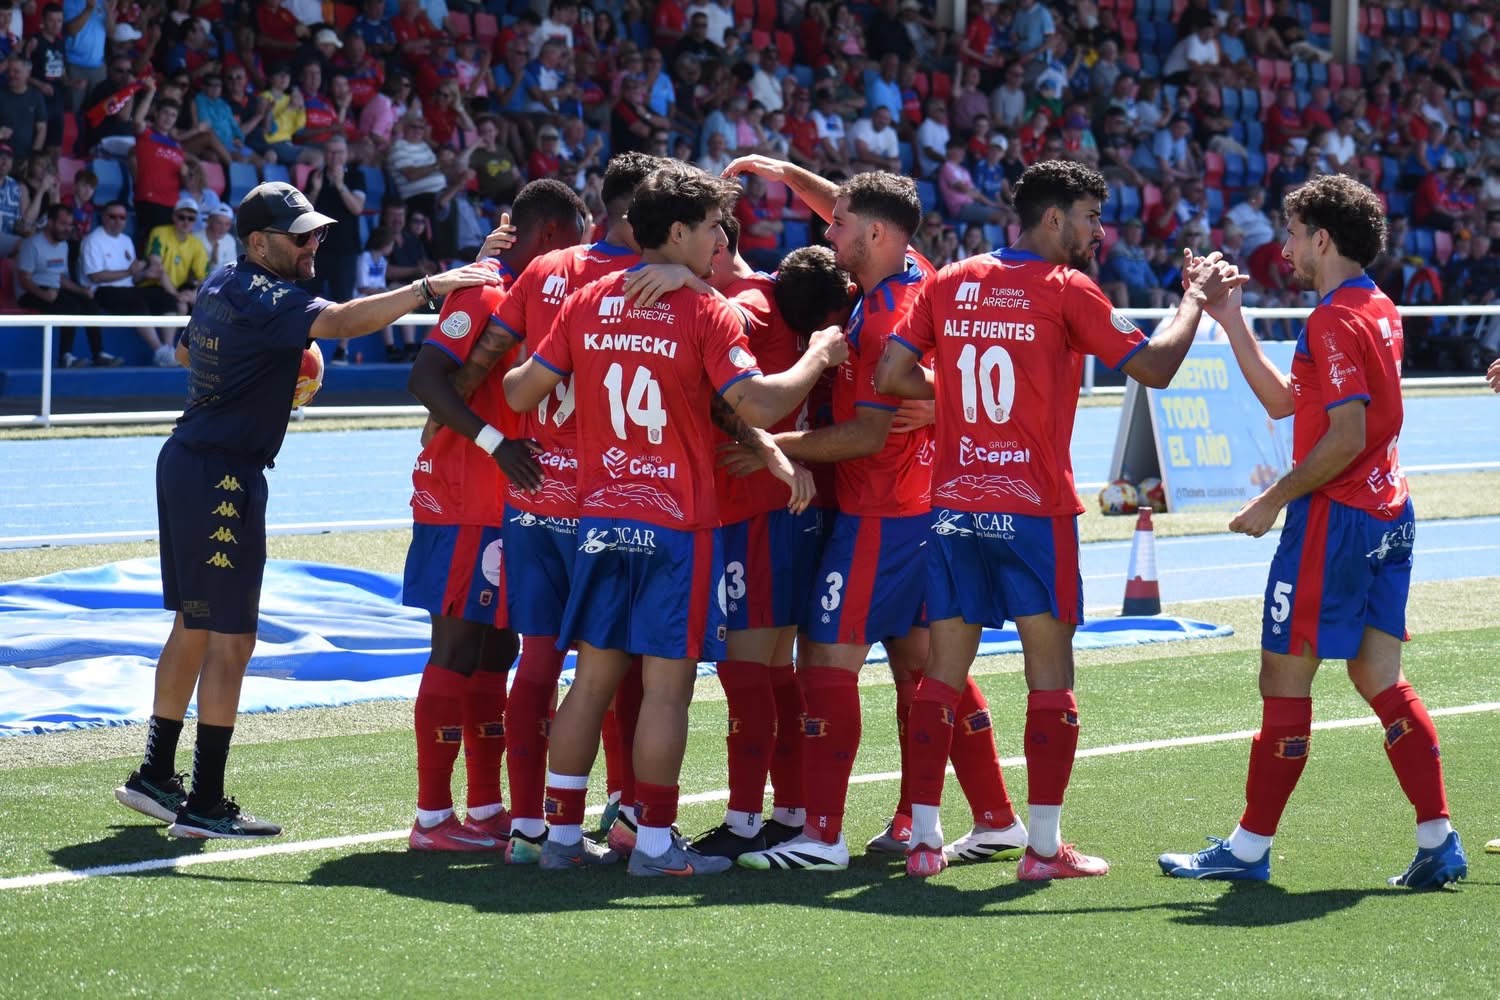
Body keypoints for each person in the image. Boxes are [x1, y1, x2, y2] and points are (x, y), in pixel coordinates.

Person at [877, 159, 1245, 880]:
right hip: (1031, 510)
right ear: (1053, 218)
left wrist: (956, 402)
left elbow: (891, 375)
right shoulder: (1065, 288)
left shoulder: (950, 281)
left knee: (940, 677)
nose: (1098, 232)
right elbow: (1157, 366)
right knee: (1049, 677)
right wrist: (1196, 299)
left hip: (955, 504)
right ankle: (1043, 851)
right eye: (1090, 217)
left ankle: (922, 843)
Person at [111, 182, 505, 839]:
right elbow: (345, 322)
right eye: (299, 235)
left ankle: (155, 773)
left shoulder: (221, 282)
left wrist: (261, 371)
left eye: (316, 232)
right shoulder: (269, 294)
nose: (312, 243)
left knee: (194, 624)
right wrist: (431, 288)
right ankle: (204, 802)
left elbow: (186, 352)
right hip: (224, 476)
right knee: (232, 638)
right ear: (258, 241)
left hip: (186, 462)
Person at [501, 165, 844, 877]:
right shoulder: (706, 311)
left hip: (600, 517)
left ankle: (559, 837)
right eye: (714, 227)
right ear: (680, 231)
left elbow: (518, 390)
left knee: (591, 680)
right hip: (676, 526)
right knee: (666, 688)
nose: (721, 240)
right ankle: (654, 845)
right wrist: (818, 354)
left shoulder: (589, 300)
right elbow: (761, 403)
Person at [1157, 174, 1469, 889]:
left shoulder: (1331, 321)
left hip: (1336, 522)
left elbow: (1345, 436)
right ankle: (1437, 838)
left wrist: (1272, 499)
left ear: (1322, 239)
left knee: (1283, 677)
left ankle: (1248, 849)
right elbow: (1286, 402)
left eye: (1294, 234)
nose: (1286, 248)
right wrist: (1230, 319)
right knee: (1378, 676)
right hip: (1389, 513)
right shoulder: (1375, 306)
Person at [401, 178, 588, 852]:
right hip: (463, 497)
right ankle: (431, 817)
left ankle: (484, 807)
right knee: (455, 648)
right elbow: (425, 379)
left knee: (496, 652)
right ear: (549, 234)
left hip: (506, 500)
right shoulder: (482, 290)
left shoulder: (531, 292)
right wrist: (494, 443)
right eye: (575, 239)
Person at [17, 203, 121, 368]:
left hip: (54, 290)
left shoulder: (63, 245)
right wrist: (44, 295)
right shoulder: (32, 244)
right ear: (50, 222)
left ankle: (98, 354)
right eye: (63, 224)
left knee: (89, 303)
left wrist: (81, 290)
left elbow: (61, 278)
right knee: (70, 305)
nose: (68, 229)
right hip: (31, 292)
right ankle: (65, 357)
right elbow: (24, 280)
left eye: (70, 225)